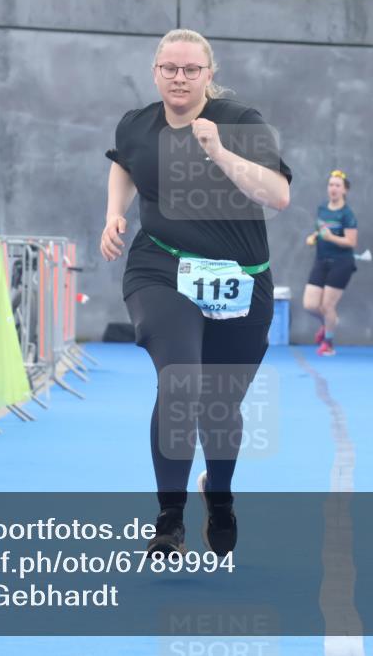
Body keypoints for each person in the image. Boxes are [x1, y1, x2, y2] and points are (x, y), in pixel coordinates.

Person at [101, 29, 291, 557]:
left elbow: (278, 195)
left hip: (240, 278)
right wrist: (114, 214)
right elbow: (124, 163)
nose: (179, 78)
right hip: (160, 266)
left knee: (221, 406)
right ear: (155, 70)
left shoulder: (241, 123)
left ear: (210, 74)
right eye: (169, 68)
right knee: (180, 380)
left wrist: (220, 153)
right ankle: (169, 517)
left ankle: (221, 495)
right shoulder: (138, 123)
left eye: (190, 70)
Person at [303, 169, 358, 357]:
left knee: (327, 306)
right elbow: (320, 231)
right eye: (331, 185)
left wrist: (332, 237)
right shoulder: (322, 209)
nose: (333, 188)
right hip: (321, 260)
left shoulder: (347, 214)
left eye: (337, 185)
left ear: (345, 190)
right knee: (310, 305)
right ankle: (329, 323)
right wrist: (313, 237)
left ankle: (329, 343)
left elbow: (351, 242)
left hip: (342, 262)